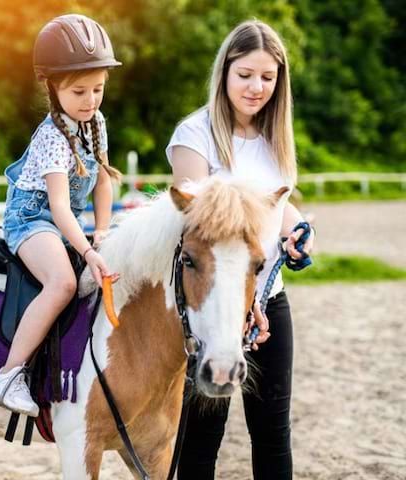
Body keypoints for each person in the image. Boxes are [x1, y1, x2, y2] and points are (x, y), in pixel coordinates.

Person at [166, 20, 315, 479]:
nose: (256, 87)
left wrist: (300, 229)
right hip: (212, 304)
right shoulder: (195, 136)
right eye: (246, 74)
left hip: (268, 299)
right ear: (225, 72)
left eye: (268, 78)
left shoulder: (275, 138)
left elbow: (280, 206)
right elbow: (191, 220)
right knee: (199, 442)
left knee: (272, 433)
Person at [0, 14, 122, 418]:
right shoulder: (51, 137)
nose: (90, 100)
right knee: (61, 283)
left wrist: (102, 234)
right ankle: (8, 376)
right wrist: (87, 249)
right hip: (31, 219)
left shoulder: (95, 123)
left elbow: (103, 181)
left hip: (64, 221)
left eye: (98, 89)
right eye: (79, 91)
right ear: (53, 87)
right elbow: (59, 205)